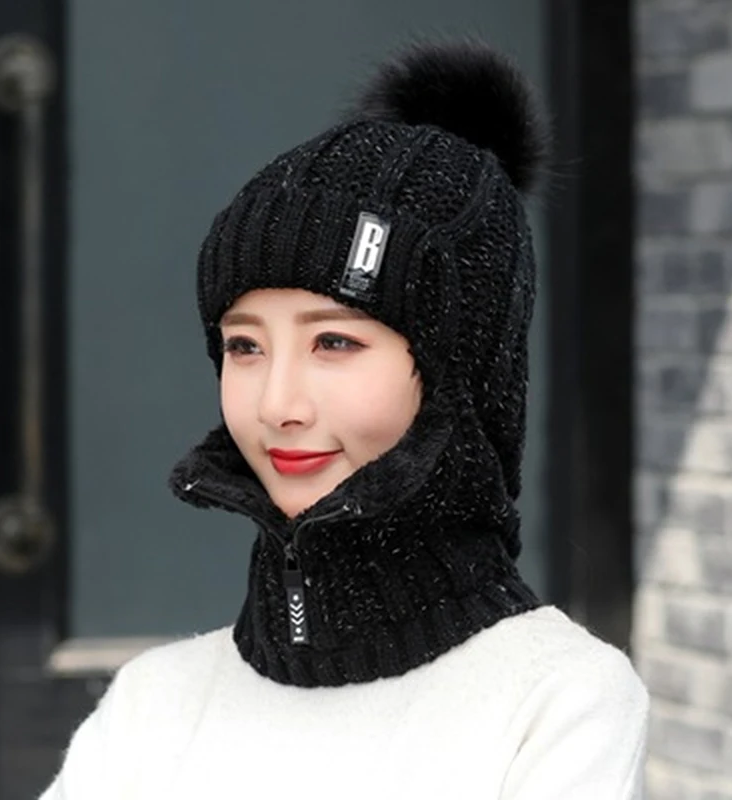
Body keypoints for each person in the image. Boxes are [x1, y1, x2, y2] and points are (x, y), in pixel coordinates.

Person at [40, 39, 649, 799]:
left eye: (334, 342)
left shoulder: (557, 700)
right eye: (244, 346)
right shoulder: (151, 705)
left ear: (462, 375)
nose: (277, 405)